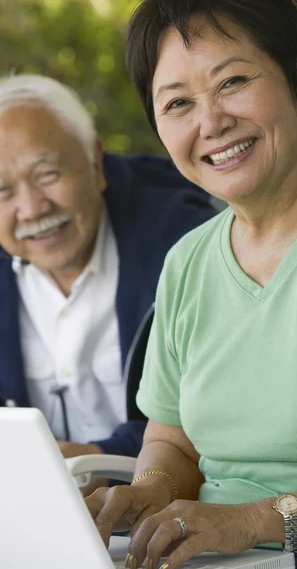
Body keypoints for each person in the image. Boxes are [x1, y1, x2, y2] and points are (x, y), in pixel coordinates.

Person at [86, 0, 297, 567]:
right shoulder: (187, 262)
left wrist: (256, 520)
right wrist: (150, 491)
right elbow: (173, 439)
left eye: (232, 82)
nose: (211, 122)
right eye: (178, 103)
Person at [0, 73, 216, 463]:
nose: (31, 209)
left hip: (172, 502)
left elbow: (217, 414)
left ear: (96, 163)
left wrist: (96, 458)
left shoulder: (186, 242)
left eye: (47, 175)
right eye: (2, 191)